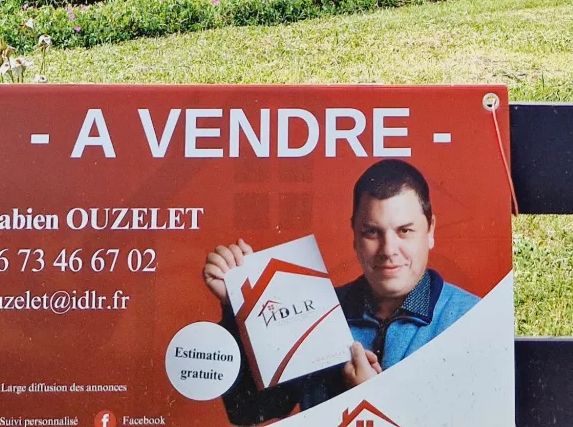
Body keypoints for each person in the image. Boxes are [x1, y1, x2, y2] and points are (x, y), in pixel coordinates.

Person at [202, 159, 477, 425]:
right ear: (354, 235)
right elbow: (247, 412)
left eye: (405, 231)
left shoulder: (473, 320)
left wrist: (374, 403)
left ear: (430, 231)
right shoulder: (315, 311)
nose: (388, 250)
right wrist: (238, 310)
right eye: (372, 232)